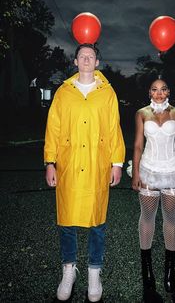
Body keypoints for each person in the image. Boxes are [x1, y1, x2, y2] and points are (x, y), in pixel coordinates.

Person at [44, 43, 125, 302]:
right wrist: (50, 162)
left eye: (91, 56)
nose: (86, 59)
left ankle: (94, 272)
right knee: (67, 222)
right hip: (68, 165)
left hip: (96, 165)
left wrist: (117, 163)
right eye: (82, 56)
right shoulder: (63, 92)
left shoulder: (107, 93)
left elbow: (114, 129)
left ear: (97, 62)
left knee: (96, 222)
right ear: (76, 62)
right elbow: (53, 128)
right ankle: (69, 270)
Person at [132, 78, 175, 303]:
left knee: (170, 217)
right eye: (155, 89)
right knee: (147, 217)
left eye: (164, 89)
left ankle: (170, 276)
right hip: (148, 169)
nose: (159, 93)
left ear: (169, 91)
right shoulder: (141, 113)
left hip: (172, 169)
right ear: (149, 91)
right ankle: (147, 276)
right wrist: (136, 173)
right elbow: (138, 145)